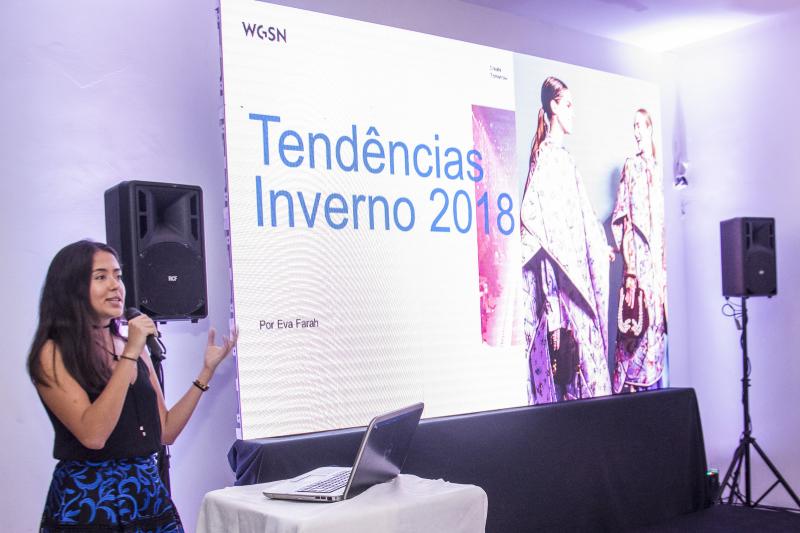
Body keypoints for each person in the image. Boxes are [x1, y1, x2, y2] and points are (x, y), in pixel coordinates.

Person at [27, 240, 238, 532]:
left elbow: (165, 431)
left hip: (145, 492)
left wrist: (206, 372)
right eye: (101, 277)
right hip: (89, 498)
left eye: (118, 276)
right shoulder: (53, 352)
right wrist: (130, 353)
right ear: (71, 287)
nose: (115, 286)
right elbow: (93, 435)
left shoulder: (132, 347)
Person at [520, 76, 613, 404]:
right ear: (554, 106)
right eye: (569, 105)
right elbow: (544, 242)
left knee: (592, 389)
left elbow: (584, 223)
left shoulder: (565, 160)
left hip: (579, 294)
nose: (573, 112)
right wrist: (554, 314)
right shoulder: (547, 161)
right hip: (564, 301)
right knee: (575, 390)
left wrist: (600, 248)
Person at [611, 109, 667, 392]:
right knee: (635, 324)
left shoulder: (659, 171)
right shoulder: (630, 166)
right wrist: (631, 268)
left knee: (656, 328)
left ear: (650, 128)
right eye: (633, 126)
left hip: (658, 265)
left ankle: (655, 396)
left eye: (640, 126)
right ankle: (631, 395)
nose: (636, 132)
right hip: (638, 262)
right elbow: (623, 217)